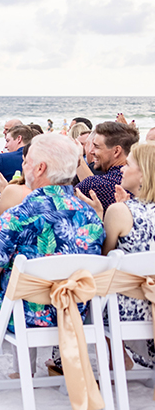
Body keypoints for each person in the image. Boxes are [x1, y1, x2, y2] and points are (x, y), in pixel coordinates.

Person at [0, 134, 104, 394]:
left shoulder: (18, 215)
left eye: (27, 162)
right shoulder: (91, 215)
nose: (24, 167)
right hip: (74, 313)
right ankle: (22, 371)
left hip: (27, 316)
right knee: (16, 291)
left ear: (40, 168)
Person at [76, 143, 155, 369]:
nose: (121, 170)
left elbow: (103, 261)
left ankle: (114, 360)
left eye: (128, 165)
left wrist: (100, 215)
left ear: (143, 173)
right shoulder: (125, 209)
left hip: (130, 309)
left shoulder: (120, 211)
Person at [75, 121, 139, 210]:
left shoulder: (94, 184)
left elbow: (59, 203)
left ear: (116, 151)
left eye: (97, 147)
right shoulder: (142, 182)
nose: (91, 151)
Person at [0, 125, 33, 191]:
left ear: (19, 139)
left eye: (8, 141)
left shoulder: (3, 158)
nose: (5, 146)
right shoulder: (42, 156)